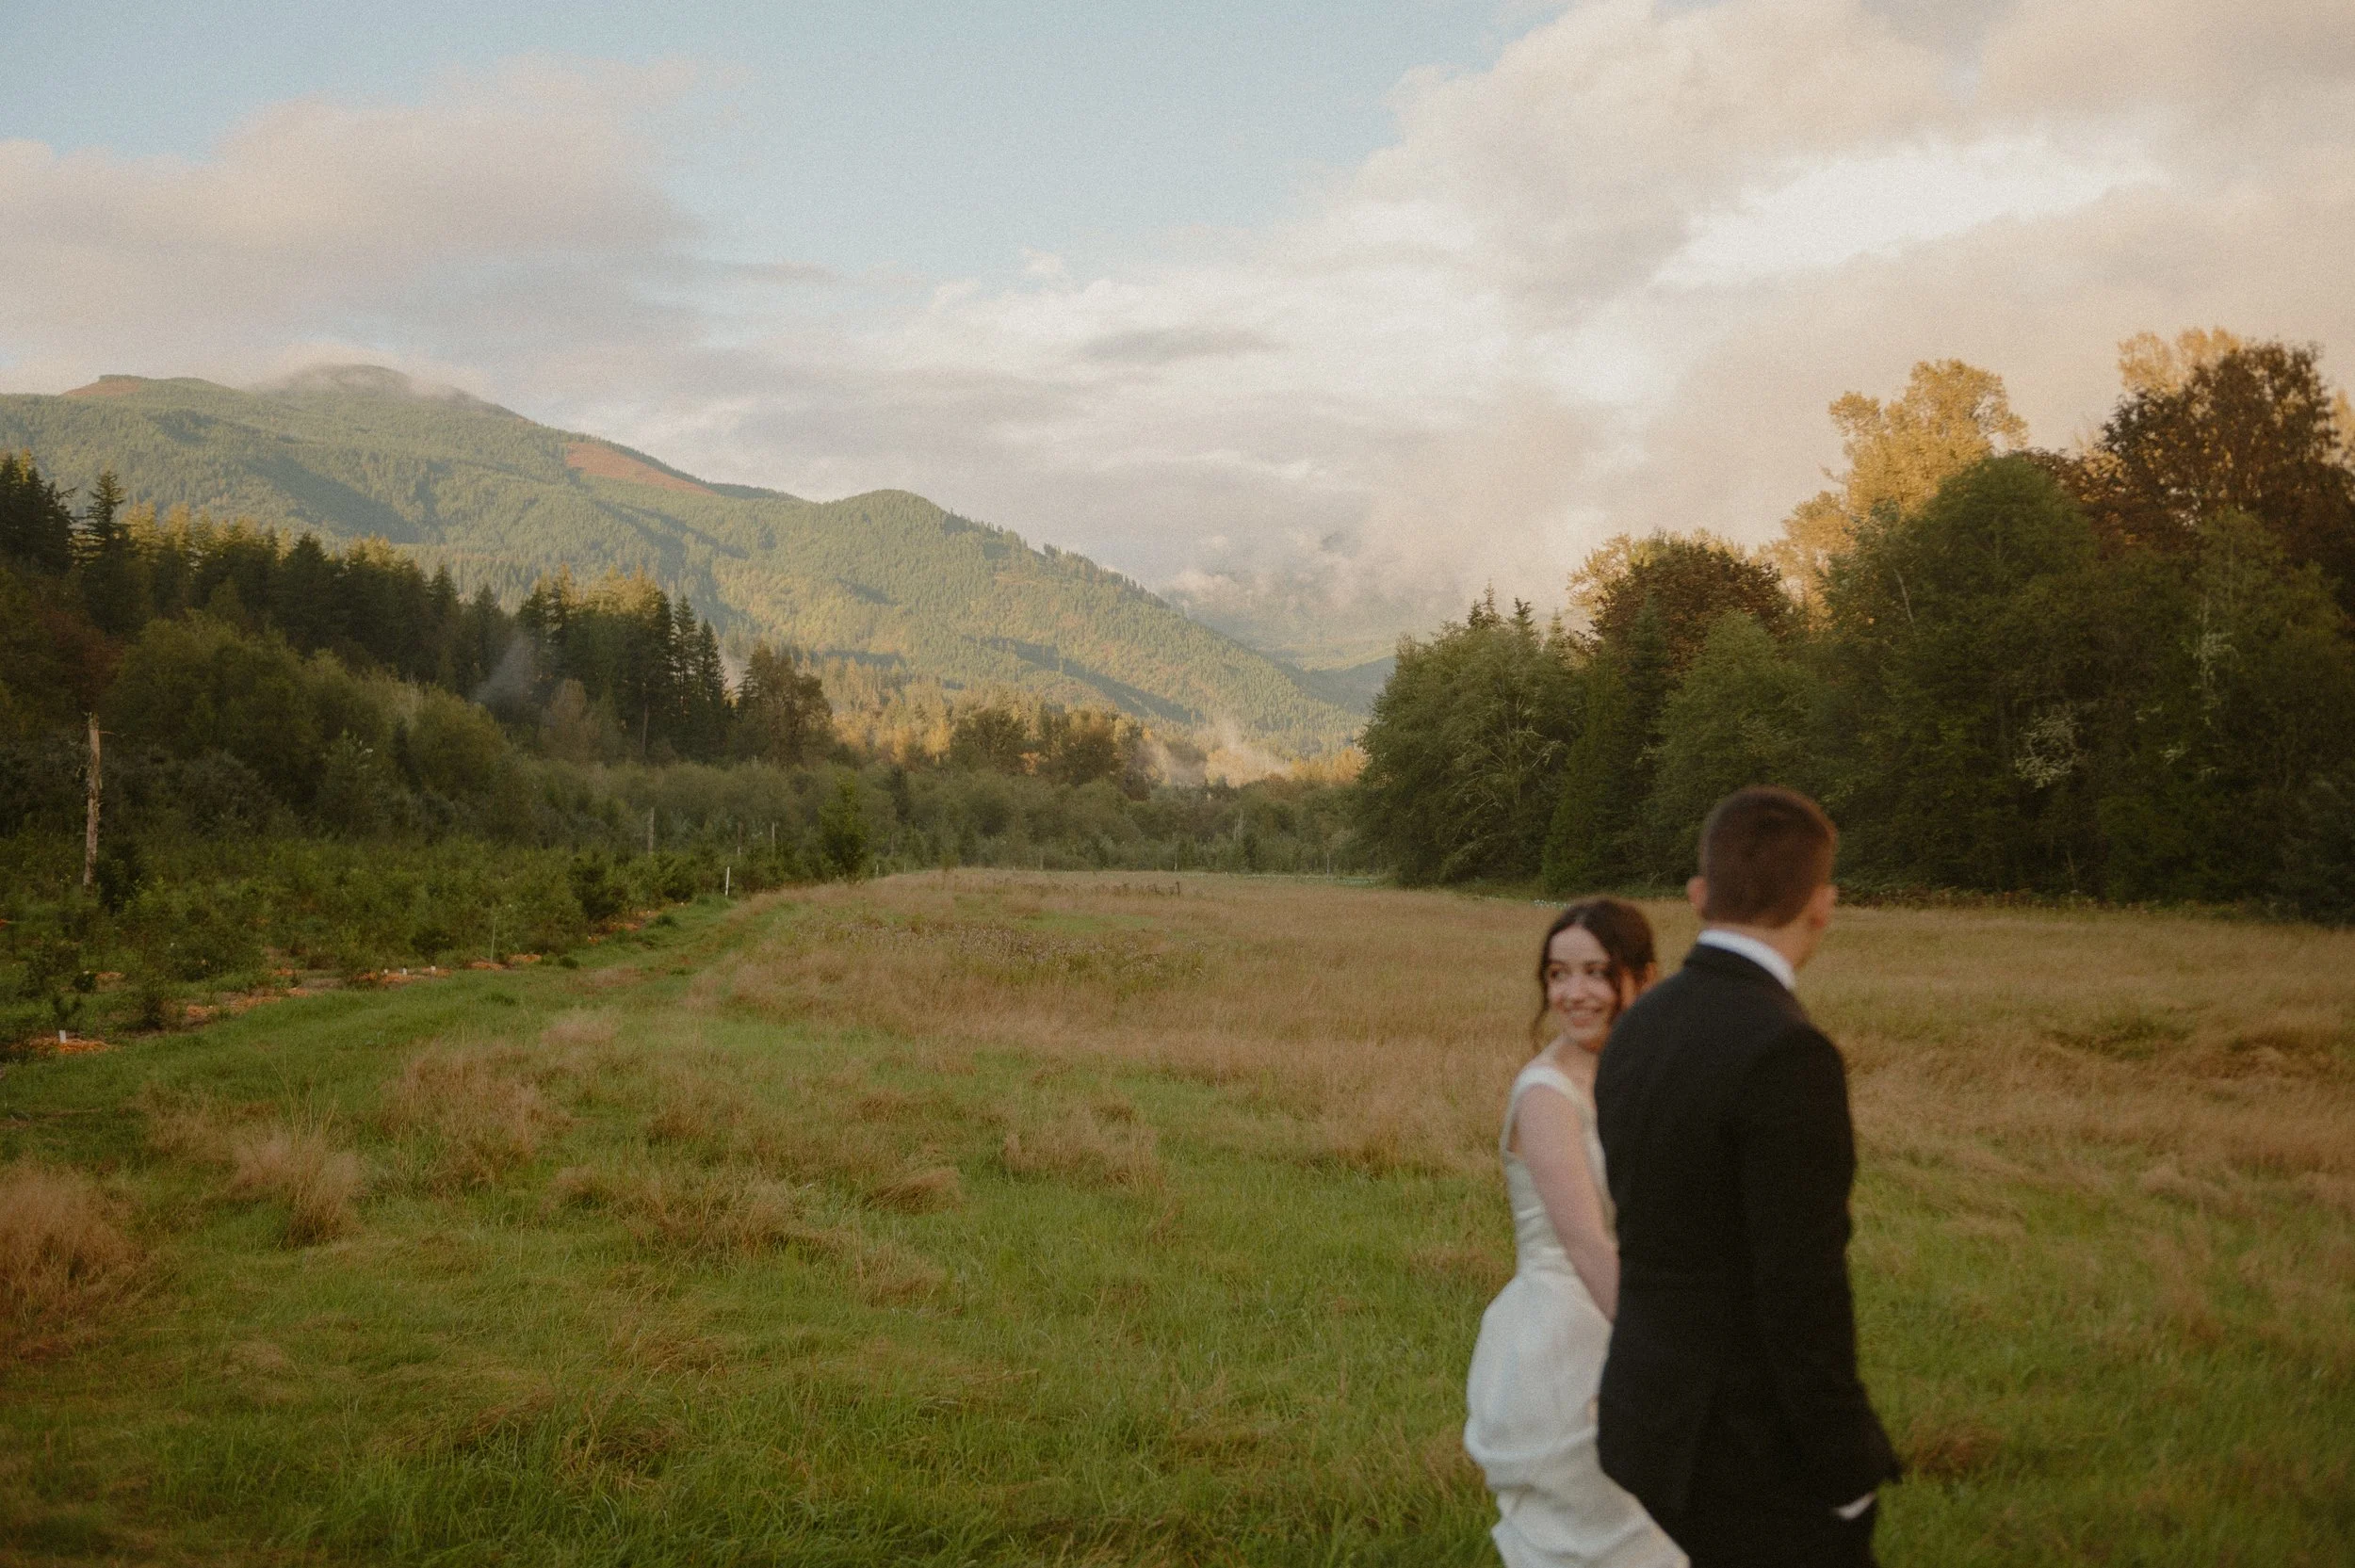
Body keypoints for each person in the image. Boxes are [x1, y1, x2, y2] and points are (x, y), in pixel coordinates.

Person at [1594, 787, 1900, 1567]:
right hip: (1748, 1445)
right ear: (1822, 905)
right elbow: (1802, 1287)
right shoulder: (1788, 1052)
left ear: (1699, 895)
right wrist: (1845, 1468)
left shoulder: (1639, 1026)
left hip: (1646, 1417)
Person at [1466, 898, 1688, 1568]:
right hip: (1567, 1343)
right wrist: (1665, 1354)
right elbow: (1587, 1242)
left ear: (1643, 979)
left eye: (1596, 971)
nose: (1574, 992)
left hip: (1636, 1309)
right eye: (1559, 974)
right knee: (1597, 1541)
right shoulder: (1545, 1093)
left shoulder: (1644, 1076)